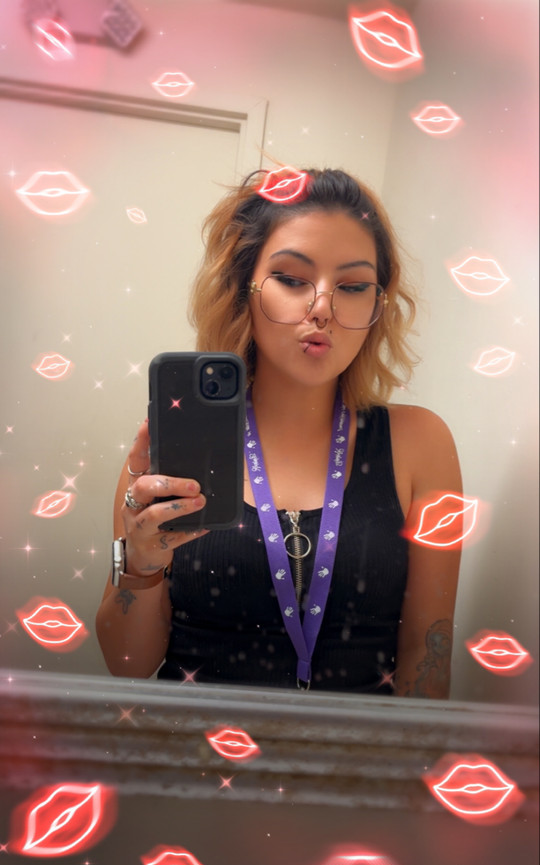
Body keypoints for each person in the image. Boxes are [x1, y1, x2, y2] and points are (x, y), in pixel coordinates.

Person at [96, 167, 462, 697]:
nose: (322, 308)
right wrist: (141, 565)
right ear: (243, 288)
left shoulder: (420, 443)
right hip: (193, 747)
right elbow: (127, 665)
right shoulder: (170, 448)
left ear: (378, 305)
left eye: (353, 286)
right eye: (292, 279)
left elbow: (427, 659)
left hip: (357, 750)